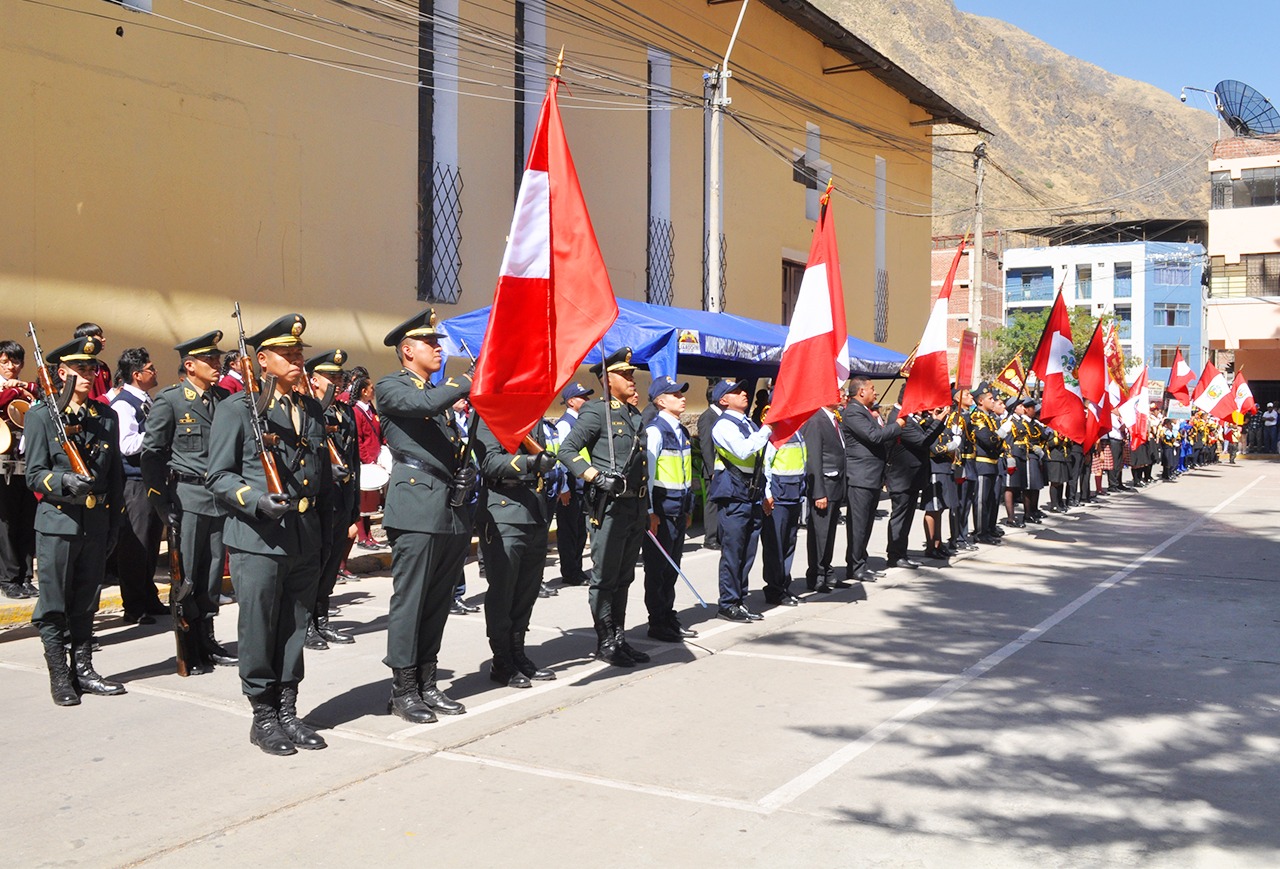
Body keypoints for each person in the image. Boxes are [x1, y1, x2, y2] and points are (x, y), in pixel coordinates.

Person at [207, 313, 331, 755]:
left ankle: (288, 710)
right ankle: (263, 716)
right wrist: (254, 500)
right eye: (288, 354)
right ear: (263, 360)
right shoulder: (237, 410)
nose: (299, 359)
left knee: (295, 627)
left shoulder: (311, 408)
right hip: (257, 538)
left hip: (304, 536)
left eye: (300, 353)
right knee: (259, 626)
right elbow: (217, 476)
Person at [375, 310, 475, 723]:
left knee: (437, 601)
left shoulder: (439, 393)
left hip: (448, 506)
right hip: (415, 505)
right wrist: (470, 377)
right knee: (411, 601)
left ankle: (427, 682)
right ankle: (403, 690)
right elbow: (425, 403)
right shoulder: (392, 387)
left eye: (439, 342)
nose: (439, 348)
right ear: (407, 351)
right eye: (431, 343)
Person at [25, 334, 126, 706]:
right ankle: (60, 676)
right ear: (62, 372)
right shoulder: (41, 415)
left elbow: (114, 475)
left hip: (96, 521)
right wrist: (64, 481)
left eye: (92, 367)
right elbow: (34, 473)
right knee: (54, 604)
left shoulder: (105, 416)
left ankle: (83, 669)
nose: (88, 373)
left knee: (86, 600)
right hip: (58, 523)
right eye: (80, 368)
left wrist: (114, 523)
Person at [141, 331, 237, 672]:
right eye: (209, 360)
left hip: (219, 497)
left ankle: (207, 636)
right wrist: (162, 504)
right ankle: (189, 643)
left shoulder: (224, 398)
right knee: (189, 577)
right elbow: (151, 455)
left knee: (211, 573)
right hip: (187, 497)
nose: (216, 365)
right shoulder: (171, 401)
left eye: (217, 359)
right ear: (190, 365)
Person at [557, 347, 652, 666]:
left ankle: (620, 638)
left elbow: (642, 467)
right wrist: (595, 476)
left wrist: (647, 508)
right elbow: (567, 450)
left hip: (634, 508)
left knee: (625, 577)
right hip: (608, 508)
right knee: (605, 576)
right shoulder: (597, 412)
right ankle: (606, 640)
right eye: (625, 375)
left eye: (632, 374)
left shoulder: (634, 414)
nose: (632, 379)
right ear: (607, 379)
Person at [472, 418, 559, 688]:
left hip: (534, 510)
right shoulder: (490, 416)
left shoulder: (533, 420)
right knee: (504, 590)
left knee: (527, 590)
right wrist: (530, 463)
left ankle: (517, 652)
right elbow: (488, 463)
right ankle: (502, 660)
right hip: (503, 511)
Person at [304, 350, 361, 650]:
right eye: (331, 377)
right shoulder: (309, 410)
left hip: (343, 497)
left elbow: (354, 460)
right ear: (313, 380)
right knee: (316, 560)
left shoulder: (346, 411)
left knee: (331, 562)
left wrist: (355, 504)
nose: (338, 382)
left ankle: (322, 619)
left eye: (340, 377)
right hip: (320, 500)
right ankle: (305, 624)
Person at [109, 347, 169, 624]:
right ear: (136, 374)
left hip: (151, 479)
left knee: (151, 543)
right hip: (134, 482)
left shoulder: (146, 400)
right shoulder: (124, 404)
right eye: (151, 368)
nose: (155, 372)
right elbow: (126, 445)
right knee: (136, 546)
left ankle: (149, 597)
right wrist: (155, 434)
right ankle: (134, 605)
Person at [708, 378, 773, 620]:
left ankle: (740, 599)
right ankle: (728, 603)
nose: (744, 394)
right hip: (734, 495)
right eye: (735, 392)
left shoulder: (747, 423)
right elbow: (744, 450)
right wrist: (767, 428)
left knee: (747, 553)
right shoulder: (723, 426)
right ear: (723, 400)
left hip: (751, 492)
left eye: (743, 390)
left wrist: (765, 492)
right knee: (733, 553)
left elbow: (760, 461)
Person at [641, 375, 698, 641]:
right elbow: (648, 475)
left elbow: (686, 474)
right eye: (676, 394)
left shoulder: (682, 431)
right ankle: (658, 621)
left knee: (672, 567)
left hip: (678, 508)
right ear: (661, 401)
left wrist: (688, 509)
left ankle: (667, 614)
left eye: (682, 394)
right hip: (661, 511)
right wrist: (650, 511)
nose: (683, 398)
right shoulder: (655, 431)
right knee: (658, 569)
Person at [841, 375, 902, 581]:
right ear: (861, 392)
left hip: (872, 475)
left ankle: (861, 561)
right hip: (860, 476)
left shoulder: (867, 412)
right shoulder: (853, 413)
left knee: (866, 524)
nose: (875, 392)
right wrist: (898, 425)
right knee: (858, 524)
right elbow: (875, 436)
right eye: (872, 389)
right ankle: (855, 565)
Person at [0, 340, 38, 600]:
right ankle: (8, 577)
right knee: (6, 522)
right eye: (4, 362)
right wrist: (15, 392)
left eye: (15, 362)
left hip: (26, 460)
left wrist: (25, 389)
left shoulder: (27, 388)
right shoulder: (10, 389)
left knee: (27, 520)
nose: (10, 367)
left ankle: (25, 576)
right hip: (3, 462)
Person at [885, 406, 946, 568]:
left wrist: (933, 419)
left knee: (906, 519)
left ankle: (901, 553)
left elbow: (922, 433)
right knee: (900, 518)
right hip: (902, 477)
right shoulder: (899, 417)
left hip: (911, 478)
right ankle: (895, 555)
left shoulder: (908, 417)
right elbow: (922, 441)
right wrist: (938, 422)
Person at [801, 393, 848, 592]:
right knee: (819, 534)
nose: (844, 395)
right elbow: (814, 458)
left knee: (829, 533)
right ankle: (816, 574)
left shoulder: (834, 419)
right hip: (824, 487)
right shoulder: (815, 420)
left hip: (835, 486)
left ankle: (827, 571)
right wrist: (818, 492)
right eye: (839, 392)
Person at [760, 421, 807, 606]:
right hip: (778, 497)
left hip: (794, 494)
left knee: (788, 544)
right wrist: (768, 494)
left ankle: (784, 585)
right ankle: (774, 590)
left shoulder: (797, 431)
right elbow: (766, 465)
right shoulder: (775, 433)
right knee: (775, 546)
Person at [552, 383, 592, 586]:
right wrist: (564, 487)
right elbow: (561, 458)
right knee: (568, 531)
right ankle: (570, 572)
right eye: (582, 397)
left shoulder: (580, 422)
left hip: (581, 483)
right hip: (570, 483)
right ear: (571, 401)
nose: (587, 400)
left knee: (578, 529)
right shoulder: (564, 424)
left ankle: (577, 569)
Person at [696, 381, 724, 551]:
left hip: (722, 469)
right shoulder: (708, 417)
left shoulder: (720, 415)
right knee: (712, 504)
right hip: (713, 469)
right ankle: (711, 537)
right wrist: (712, 470)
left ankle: (719, 535)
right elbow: (706, 445)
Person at [72, 323, 112, 401]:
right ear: (88, 338)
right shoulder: (74, 367)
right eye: (100, 336)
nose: (104, 339)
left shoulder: (103, 367)